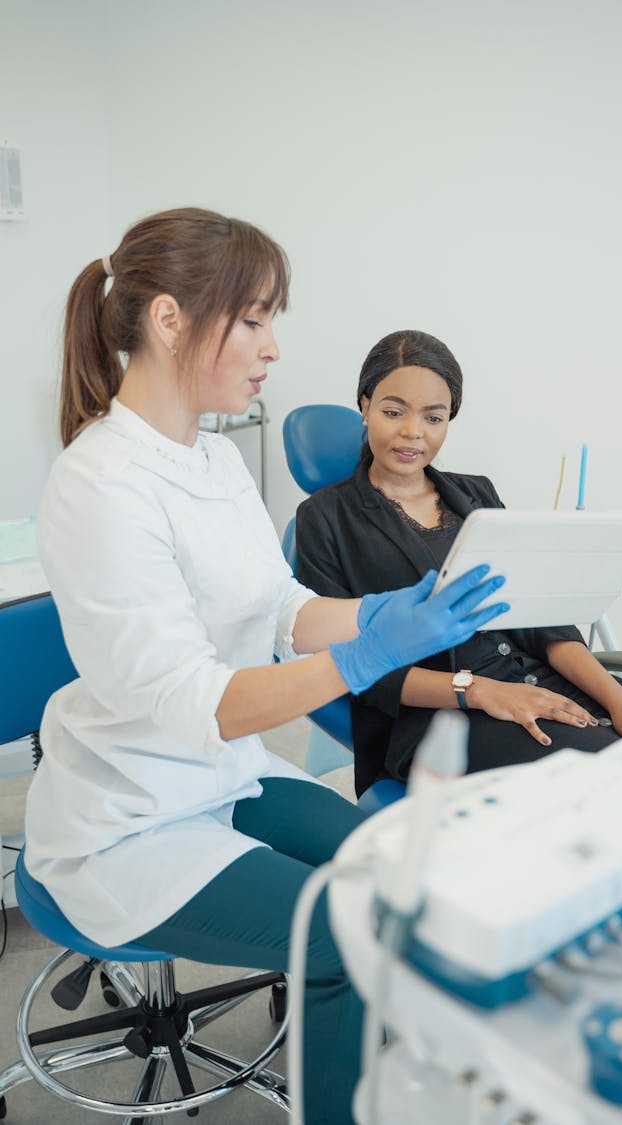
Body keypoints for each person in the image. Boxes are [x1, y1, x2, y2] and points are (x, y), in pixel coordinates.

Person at [23, 214, 506, 1125]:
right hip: (131, 815)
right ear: (170, 320)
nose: (272, 348)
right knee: (343, 926)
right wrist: (366, 656)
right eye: (253, 320)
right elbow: (196, 705)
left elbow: (280, 609)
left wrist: (375, 615)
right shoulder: (100, 486)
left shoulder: (212, 457)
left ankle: (379, 1060)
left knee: (390, 861)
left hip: (218, 776)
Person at [295, 329, 622, 798]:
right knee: (617, 783)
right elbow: (352, 664)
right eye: (394, 411)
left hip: (539, 677)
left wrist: (619, 699)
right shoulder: (324, 519)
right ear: (365, 404)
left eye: (433, 417)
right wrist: (479, 691)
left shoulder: (476, 494)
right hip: (438, 717)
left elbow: (544, 625)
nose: (413, 432)